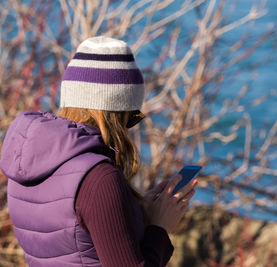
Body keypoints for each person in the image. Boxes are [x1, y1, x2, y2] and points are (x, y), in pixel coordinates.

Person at [0, 36, 197, 267]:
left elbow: (73, 242)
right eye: (132, 117)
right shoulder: (99, 178)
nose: (129, 128)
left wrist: (136, 209)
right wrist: (160, 228)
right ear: (113, 115)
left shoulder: (23, 164)